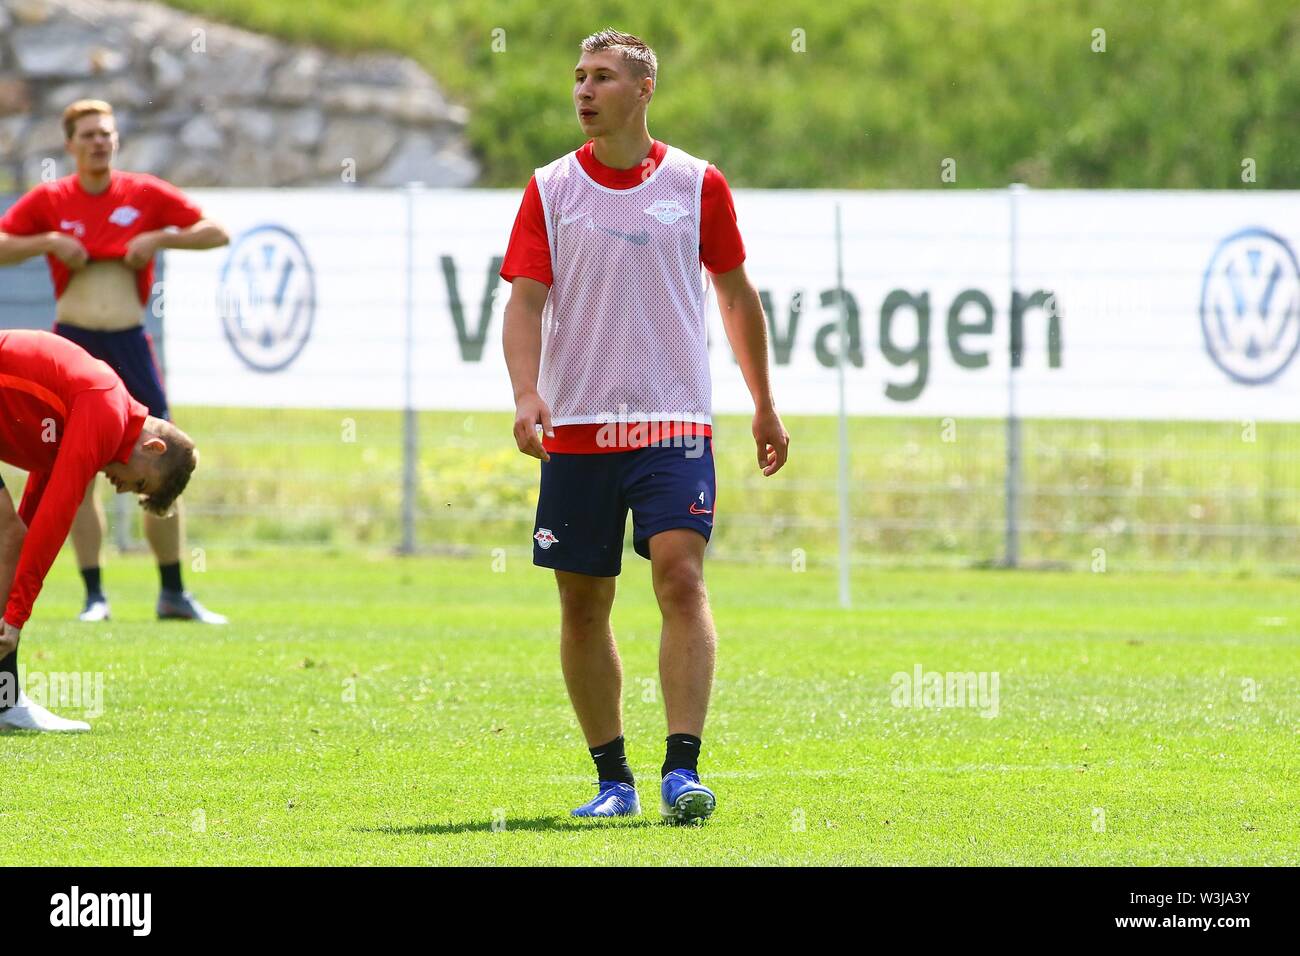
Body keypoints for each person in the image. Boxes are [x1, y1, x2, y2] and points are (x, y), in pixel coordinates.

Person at [501, 29, 789, 822]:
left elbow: (735, 297)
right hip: (580, 431)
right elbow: (524, 303)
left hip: (672, 427)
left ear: (643, 89)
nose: (584, 91)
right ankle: (612, 782)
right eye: (579, 77)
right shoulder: (551, 187)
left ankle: (680, 772)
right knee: (583, 608)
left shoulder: (698, 184)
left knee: (680, 577)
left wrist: (763, 401)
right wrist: (526, 395)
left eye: (602, 77)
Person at [0, 99, 229, 624]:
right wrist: (49, 242)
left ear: (116, 140)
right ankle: (94, 594)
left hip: (128, 341)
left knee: (167, 460)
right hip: (76, 340)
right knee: (72, 472)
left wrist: (160, 237)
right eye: (88, 135)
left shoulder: (143, 194)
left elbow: (217, 232)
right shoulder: (52, 200)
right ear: (70, 145)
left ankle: (172, 589)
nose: (99, 142)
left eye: (106, 133)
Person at [0, 329, 200, 731]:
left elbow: (38, 501)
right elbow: (57, 514)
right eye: (140, 485)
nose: (124, 489)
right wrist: (17, 615)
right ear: (153, 448)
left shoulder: (109, 413)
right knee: (7, 536)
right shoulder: (105, 412)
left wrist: (12, 608)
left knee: (9, 538)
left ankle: (5, 702)